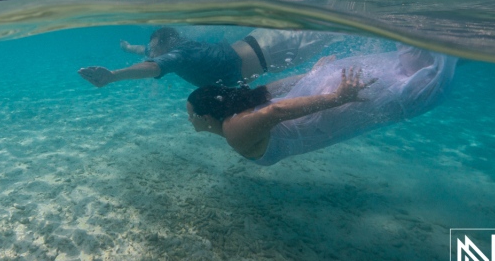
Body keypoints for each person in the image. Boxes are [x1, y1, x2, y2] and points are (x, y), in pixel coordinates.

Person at [186, 47, 456, 165]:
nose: (190, 120)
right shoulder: (240, 111)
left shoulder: (234, 130)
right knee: (427, 63)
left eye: (191, 115)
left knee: (425, 68)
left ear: (208, 116)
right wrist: (313, 77)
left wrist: (336, 98)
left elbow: (276, 110)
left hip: (344, 102)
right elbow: (272, 90)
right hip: (336, 95)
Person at [78, 26, 338, 88]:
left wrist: (113, 76)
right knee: (326, 24)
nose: (151, 52)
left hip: (273, 50)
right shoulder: (177, 46)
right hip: (265, 44)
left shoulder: (178, 54)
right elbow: (145, 54)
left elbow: (151, 67)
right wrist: (126, 48)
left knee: (331, 29)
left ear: (166, 46)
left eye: (153, 48)